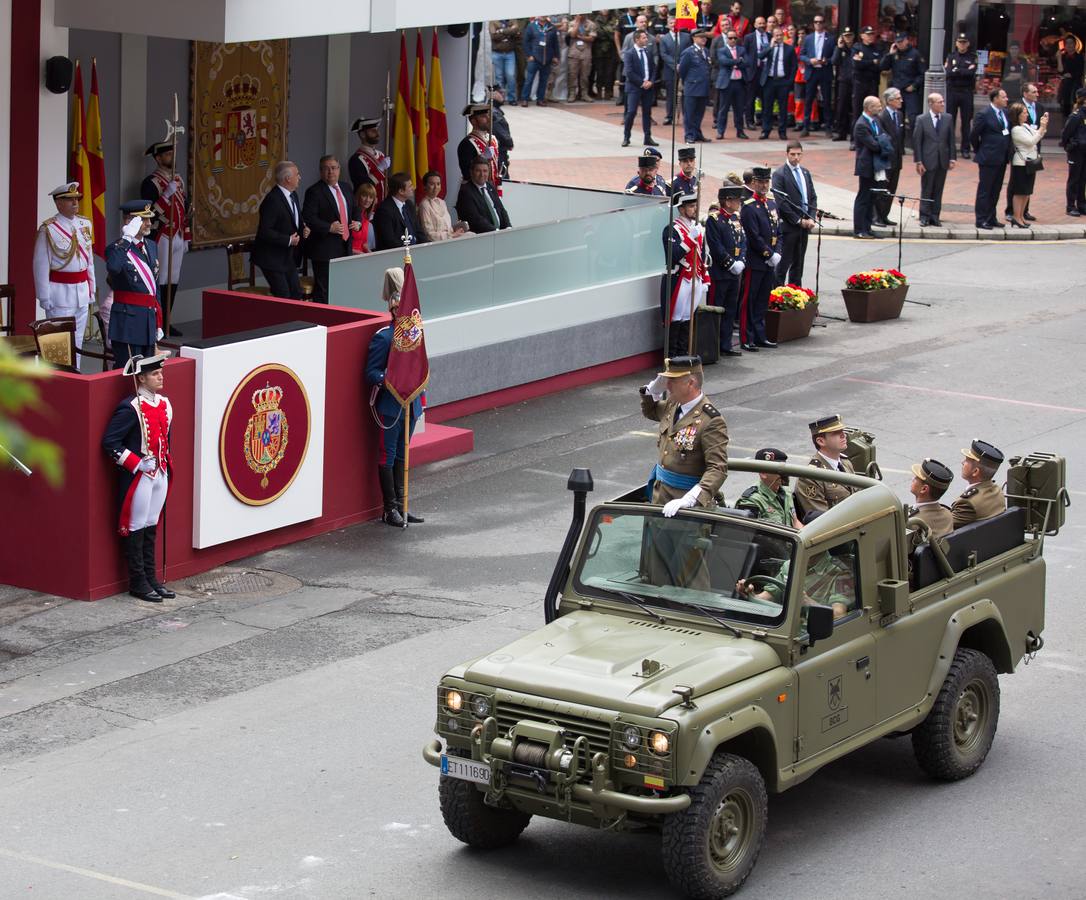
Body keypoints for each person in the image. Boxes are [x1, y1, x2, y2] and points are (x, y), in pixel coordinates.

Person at [102, 352, 175, 602]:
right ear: (141, 378)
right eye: (155, 373)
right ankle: (138, 581)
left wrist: (162, 462)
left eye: (160, 372)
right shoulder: (129, 407)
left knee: (151, 526)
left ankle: (151, 578)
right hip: (140, 476)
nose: (160, 376)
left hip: (161, 472)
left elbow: (166, 439)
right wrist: (137, 463)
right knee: (136, 528)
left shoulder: (165, 404)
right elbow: (110, 442)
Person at [365, 268, 424, 528]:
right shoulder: (384, 337)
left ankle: (403, 504)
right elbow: (371, 373)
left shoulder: (414, 336)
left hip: (410, 402)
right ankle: (389, 509)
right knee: (387, 455)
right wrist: (389, 377)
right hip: (390, 405)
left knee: (403, 454)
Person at [639, 354, 729, 515]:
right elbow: (651, 411)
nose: (668, 386)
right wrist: (652, 390)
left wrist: (691, 498)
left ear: (691, 383)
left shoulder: (710, 420)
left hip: (686, 506)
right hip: (659, 496)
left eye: (673, 381)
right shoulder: (674, 404)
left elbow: (717, 468)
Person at [32, 182, 96, 365]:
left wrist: (91, 289)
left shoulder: (85, 224)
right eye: (69, 199)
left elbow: (89, 261)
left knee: (77, 340)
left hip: (81, 291)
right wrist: (44, 297)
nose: (75, 202)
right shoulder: (49, 228)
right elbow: (40, 265)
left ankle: (76, 375)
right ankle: (58, 379)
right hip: (59, 293)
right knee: (58, 342)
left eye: (76, 198)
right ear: (58, 203)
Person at [140, 141, 189, 337]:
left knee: (173, 278)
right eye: (168, 154)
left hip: (177, 235)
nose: (171, 157)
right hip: (161, 235)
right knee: (161, 278)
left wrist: (186, 235)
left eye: (172, 153)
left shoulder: (178, 179)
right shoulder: (150, 183)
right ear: (158, 158)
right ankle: (157, 322)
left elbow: (184, 209)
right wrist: (166, 195)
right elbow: (150, 213)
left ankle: (167, 320)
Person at [106, 201, 161, 372]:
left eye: (149, 219)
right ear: (130, 221)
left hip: (148, 320)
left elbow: (154, 286)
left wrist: (158, 322)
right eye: (144, 220)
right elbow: (114, 268)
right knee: (128, 371)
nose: (149, 223)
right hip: (128, 322)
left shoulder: (151, 246)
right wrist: (126, 239)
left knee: (148, 372)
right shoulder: (116, 248)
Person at [301, 155, 360, 303]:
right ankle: (323, 322)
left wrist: (357, 222)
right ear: (320, 171)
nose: (330, 172)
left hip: (345, 246)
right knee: (324, 289)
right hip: (324, 249)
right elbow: (308, 217)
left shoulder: (346, 187)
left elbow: (354, 208)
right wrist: (329, 227)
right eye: (326, 169)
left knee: (342, 286)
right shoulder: (314, 191)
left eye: (333, 168)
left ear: (339, 170)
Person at [661, 192, 708, 358]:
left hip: (695, 277)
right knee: (676, 317)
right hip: (680, 278)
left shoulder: (696, 228)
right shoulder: (671, 229)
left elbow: (702, 255)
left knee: (688, 317)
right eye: (690, 206)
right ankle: (672, 357)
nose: (694, 209)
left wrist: (705, 277)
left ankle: (683, 354)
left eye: (695, 206)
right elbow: (673, 255)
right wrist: (690, 239)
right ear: (681, 209)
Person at [253, 160, 309, 299]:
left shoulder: (293, 195)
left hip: (287, 257)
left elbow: (295, 219)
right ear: (288, 178)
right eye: (297, 174)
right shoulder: (272, 200)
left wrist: (304, 228)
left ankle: (296, 321)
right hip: (271, 258)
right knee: (283, 296)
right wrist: (289, 240)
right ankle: (284, 321)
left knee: (296, 293)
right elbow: (265, 231)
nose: (300, 177)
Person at [738, 165, 780, 350]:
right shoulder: (748, 207)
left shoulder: (771, 203)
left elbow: (778, 231)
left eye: (766, 182)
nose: (764, 185)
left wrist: (777, 251)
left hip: (770, 261)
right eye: (760, 182)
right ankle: (746, 338)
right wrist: (768, 254)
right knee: (749, 300)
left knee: (763, 299)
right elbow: (753, 236)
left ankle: (760, 335)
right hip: (756, 261)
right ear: (753, 183)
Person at [704, 184, 746, 358]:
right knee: (717, 310)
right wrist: (730, 264)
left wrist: (742, 260)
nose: (738, 203)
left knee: (730, 310)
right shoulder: (714, 220)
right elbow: (716, 247)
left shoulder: (736, 218)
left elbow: (743, 240)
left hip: (734, 274)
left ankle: (726, 343)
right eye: (736, 200)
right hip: (720, 273)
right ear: (727, 202)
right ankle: (713, 345)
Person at [770, 141, 816, 286]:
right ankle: (776, 296)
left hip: (804, 226)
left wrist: (811, 217)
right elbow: (782, 203)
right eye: (793, 154)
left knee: (798, 265)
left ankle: (795, 296)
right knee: (783, 265)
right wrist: (798, 220)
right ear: (787, 154)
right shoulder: (779, 174)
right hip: (789, 227)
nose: (796, 157)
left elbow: (812, 197)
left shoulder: (805, 172)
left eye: (799, 154)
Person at [794, 414, 857, 518]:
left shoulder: (845, 463)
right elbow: (821, 520)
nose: (843, 435)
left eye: (842, 431)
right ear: (821, 441)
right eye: (836, 433)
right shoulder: (810, 476)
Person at [913, 92, 957, 227]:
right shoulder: (922, 119)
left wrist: (952, 158)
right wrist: (918, 161)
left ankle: (935, 215)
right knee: (927, 188)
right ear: (931, 104)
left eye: (943, 101)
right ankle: (924, 216)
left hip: (942, 160)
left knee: (939, 189)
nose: (942, 104)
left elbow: (951, 140)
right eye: (939, 102)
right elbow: (917, 141)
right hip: (928, 160)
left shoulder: (947, 118)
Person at [972, 88, 1012, 230]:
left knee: (996, 189)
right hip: (988, 157)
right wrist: (979, 150)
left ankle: (991, 217)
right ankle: (981, 219)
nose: (1006, 99)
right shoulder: (984, 114)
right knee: (985, 189)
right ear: (995, 99)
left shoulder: (1006, 113)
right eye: (1003, 97)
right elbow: (974, 135)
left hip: (1002, 158)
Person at [1004, 82, 1045, 222]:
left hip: (1033, 149)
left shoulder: (1039, 107)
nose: (1037, 94)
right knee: (1016, 184)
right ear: (1025, 93)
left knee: (1028, 185)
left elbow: (1037, 129)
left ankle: (1024, 211)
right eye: (1033, 92)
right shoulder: (1016, 107)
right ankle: (1011, 211)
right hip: (1021, 150)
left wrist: (1041, 128)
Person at [736, 448, 802, 527]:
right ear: (763, 473)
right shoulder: (751, 501)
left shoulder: (786, 492)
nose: (785, 473)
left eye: (784, 469)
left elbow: (795, 522)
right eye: (779, 470)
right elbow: (750, 535)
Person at [951, 440, 1006, 528]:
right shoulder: (997, 490)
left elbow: (943, 527)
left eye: (967, 461)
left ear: (975, 471)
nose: (962, 462)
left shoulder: (967, 503)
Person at [852, 95, 885, 239]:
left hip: (876, 165)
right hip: (866, 166)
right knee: (863, 198)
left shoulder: (876, 120)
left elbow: (884, 137)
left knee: (871, 198)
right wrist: (882, 142)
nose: (880, 107)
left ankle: (868, 227)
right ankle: (859, 229)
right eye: (878, 105)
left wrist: (882, 142)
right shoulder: (861, 125)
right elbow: (874, 145)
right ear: (869, 108)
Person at [880, 32, 924, 140]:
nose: (899, 44)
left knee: (913, 118)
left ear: (906, 41)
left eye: (901, 42)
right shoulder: (894, 54)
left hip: (910, 91)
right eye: (897, 42)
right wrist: (889, 54)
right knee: (897, 118)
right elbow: (882, 67)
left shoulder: (915, 54)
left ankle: (915, 143)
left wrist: (914, 85)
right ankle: (899, 144)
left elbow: (922, 73)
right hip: (897, 91)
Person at [873, 87, 906, 227]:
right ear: (890, 100)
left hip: (897, 159)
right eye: (898, 98)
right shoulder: (882, 116)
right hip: (886, 160)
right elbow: (882, 139)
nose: (901, 101)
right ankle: (876, 217)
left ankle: (885, 215)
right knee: (881, 189)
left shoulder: (899, 115)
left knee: (891, 189)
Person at [455, 157, 512, 234]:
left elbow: (501, 209)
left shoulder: (490, 186)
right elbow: (475, 219)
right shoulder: (465, 192)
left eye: (485, 171)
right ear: (471, 172)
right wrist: (496, 231)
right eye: (478, 171)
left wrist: (508, 227)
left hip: (499, 233)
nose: (482, 174)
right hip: (483, 236)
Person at [373, 172, 429, 250]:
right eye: (410, 186)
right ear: (401, 191)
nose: (413, 188)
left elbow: (418, 231)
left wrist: (428, 246)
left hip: (414, 252)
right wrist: (409, 250)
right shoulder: (384, 210)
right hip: (395, 256)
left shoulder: (409, 205)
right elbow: (390, 241)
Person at [622, 30, 658, 147]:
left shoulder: (648, 52)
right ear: (636, 40)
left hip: (648, 87)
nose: (646, 40)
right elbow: (629, 72)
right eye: (643, 38)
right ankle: (626, 137)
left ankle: (647, 137)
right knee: (631, 112)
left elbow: (653, 68)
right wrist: (642, 82)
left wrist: (651, 81)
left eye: (646, 37)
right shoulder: (629, 53)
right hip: (634, 87)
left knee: (647, 112)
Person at [799, 14, 833, 136]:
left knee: (827, 100)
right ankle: (805, 127)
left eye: (820, 22)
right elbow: (801, 55)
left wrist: (827, 60)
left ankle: (828, 127)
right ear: (813, 24)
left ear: (824, 23)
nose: (818, 24)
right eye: (816, 22)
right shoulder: (808, 38)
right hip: (812, 71)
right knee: (808, 100)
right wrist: (809, 60)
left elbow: (834, 56)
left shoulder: (830, 38)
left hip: (824, 71)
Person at [944, 33, 978, 159]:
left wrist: (957, 70)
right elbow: (948, 73)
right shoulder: (951, 56)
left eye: (964, 42)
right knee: (950, 121)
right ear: (956, 43)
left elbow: (971, 73)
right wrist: (962, 71)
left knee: (966, 122)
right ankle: (950, 148)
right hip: (952, 91)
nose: (962, 44)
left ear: (968, 44)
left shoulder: (972, 57)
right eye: (960, 42)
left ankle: (965, 148)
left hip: (966, 92)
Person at [759, 27, 796, 140]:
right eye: (776, 35)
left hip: (783, 81)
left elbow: (794, 66)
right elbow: (760, 56)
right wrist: (770, 47)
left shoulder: (789, 49)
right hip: (769, 80)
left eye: (780, 35)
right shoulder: (768, 47)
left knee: (783, 108)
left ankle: (782, 131)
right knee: (767, 107)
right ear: (773, 36)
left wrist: (789, 81)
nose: (779, 37)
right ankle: (766, 130)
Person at [850, 27, 884, 148]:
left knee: (873, 112)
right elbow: (856, 64)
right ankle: (854, 140)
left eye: (872, 34)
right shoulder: (857, 47)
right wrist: (871, 62)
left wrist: (867, 62)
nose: (870, 36)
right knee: (857, 111)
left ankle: (872, 137)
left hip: (872, 83)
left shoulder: (877, 48)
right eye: (868, 34)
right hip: (859, 83)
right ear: (862, 36)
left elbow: (880, 65)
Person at [906, 458, 954, 542]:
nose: (913, 479)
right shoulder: (948, 515)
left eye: (916, 478)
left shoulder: (913, 523)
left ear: (924, 489)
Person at [679, 29, 713, 143]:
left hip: (703, 87)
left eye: (705, 37)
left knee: (699, 112)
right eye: (700, 37)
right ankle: (689, 135)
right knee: (689, 113)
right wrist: (687, 82)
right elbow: (682, 70)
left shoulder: (706, 51)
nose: (704, 39)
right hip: (692, 87)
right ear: (694, 38)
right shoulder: (688, 52)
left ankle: (697, 133)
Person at [457, 103, 501, 189]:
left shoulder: (493, 139)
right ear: (473, 121)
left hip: (492, 188)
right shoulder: (467, 143)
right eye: (483, 117)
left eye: (488, 115)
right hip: (475, 191)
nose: (488, 119)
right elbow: (467, 173)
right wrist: (483, 157)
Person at [714, 29, 748, 139]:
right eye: (730, 38)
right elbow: (723, 62)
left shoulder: (741, 49)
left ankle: (740, 131)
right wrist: (738, 61)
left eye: (735, 38)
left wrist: (734, 63)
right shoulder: (722, 50)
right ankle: (720, 131)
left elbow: (747, 63)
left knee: (739, 109)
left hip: (739, 83)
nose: (733, 40)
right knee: (723, 109)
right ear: (727, 39)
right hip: (726, 83)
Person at [348, 116, 390, 202]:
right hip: (368, 206)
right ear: (363, 134)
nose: (377, 134)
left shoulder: (381, 155)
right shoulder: (356, 159)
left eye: (377, 130)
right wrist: (380, 169)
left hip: (383, 204)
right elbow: (363, 186)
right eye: (373, 131)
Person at [521, 16, 560, 107]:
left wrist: (556, 56)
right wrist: (529, 55)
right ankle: (525, 99)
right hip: (534, 58)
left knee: (544, 80)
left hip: (547, 59)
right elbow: (525, 42)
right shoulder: (531, 26)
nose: (542, 16)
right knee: (529, 80)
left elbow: (555, 44)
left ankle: (540, 99)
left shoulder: (552, 27)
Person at [658, 16, 690, 126]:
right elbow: (663, 54)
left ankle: (687, 116)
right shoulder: (664, 38)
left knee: (686, 94)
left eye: (675, 23)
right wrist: (675, 65)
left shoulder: (686, 37)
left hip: (685, 69)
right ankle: (669, 116)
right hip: (670, 70)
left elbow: (689, 51)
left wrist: (683, 64)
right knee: (671, 95)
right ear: (667, 25)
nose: (673, 25)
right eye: (671, 23)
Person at [418, 171, 467, 241]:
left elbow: (446, 227)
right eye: (432, 184)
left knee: (471, 235)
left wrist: (455, 229)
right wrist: (452, 235)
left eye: (438, 184)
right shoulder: (424, 205)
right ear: (425, 186)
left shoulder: (442, 202)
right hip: (438, 242)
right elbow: (429, 234)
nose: (436, 187)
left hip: (450, 237)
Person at [742, 16, 770, 129]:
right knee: (750, 99)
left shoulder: (770, 36)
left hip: (766, 72)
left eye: (763, 23)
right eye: (759, 23)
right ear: (755, 25)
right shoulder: (749, 37)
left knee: (766, 98)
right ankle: (749, 121)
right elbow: (745, 53)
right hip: (753, 71)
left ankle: (764, 121)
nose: (762, 25)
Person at [1062, 87, 1086, 217]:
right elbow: (1065, 134)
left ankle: (1082, 204)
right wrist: (1069, 146)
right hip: (1076, 151)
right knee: (1074, 179)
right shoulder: (1076, 116)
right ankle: (1070, 206)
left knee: (1083, 179)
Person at [830, 28, 855, 141]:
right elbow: (834, 61)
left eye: (850, 35)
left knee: (854, 107)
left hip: (855, 81)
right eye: (846, 36)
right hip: (844, 81)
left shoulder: (857, 48)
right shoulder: (840, 49)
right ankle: (841, 132)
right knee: (842, 107)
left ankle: (854, 133)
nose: (848, 38)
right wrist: (839, 48)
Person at [566, 14, 597, 102]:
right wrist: (578, 22)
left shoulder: (591, 24)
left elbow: (591, 38)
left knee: (585, 75)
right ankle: (572, 93)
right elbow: (572, 35)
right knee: (572, 74)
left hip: (586, 52)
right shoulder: (572, 23)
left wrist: (580, 37)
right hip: (574, 52)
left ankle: (584, 94)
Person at [489, 19, 522, 96]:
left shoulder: (513, 20)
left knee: (510, 75)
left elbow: (516, 32)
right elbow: (494, 36)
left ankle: (512, 97)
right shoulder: (493, 21)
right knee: (499, 76)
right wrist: (510, 31)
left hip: (510, 53)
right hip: (497, 53)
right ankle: (501, 97)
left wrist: (501, 31)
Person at [592, 10, 619, 101]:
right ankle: (599, 91)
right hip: (598, 50)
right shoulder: (596, 19)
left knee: (609, 72)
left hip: (611, 49)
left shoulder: (614, 19)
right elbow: (598, 34)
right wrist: (609, 30)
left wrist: (605, 30)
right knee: (599, 72)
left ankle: (608, 91)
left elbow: (614, 34)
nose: (605, 10)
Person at [1057, 36, 1085, 118]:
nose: (1069, 45)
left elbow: (1080, 71)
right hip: (1065, 85)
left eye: (1071, 43)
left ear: (1075, 45)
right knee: (1065, 107)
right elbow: (1060, 71)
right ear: (1065, 45)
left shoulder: (1080, 57)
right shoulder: (1063, 56)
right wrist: (1058, 58)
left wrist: (1071, 75)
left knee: (1076, 106)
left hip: (1075, 84)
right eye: (1067, 43)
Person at [351, 183, 378, 253]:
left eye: (371, 197)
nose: (367, 200)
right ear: (358, 196)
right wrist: (360, 253)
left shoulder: (365, 217)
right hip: (349, 257)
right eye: (364, 196)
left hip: (361, 256)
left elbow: (363, 243)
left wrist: (371, 254)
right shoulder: (351, 215)